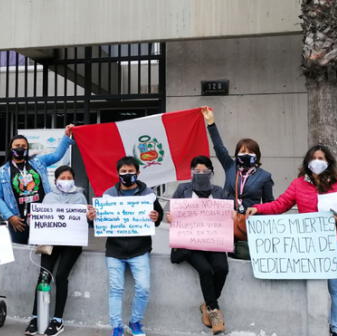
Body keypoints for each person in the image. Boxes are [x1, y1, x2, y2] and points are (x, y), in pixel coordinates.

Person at [245, 145, 337, 336]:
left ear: (328, 162)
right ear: (307, 162)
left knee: (334, 286)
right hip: (309, 243)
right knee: (312, 283)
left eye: (321, 158)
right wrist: (258, 209)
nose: (317, 161)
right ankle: (315, 323)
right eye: (314, 158)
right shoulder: (298, 185)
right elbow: (280, 204)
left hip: (334, 240)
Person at [25, 165, 96, 336]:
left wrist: (90, 217)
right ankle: (36, 317)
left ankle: (57, 320)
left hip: (72, 245)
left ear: (73, 179)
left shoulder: (80, 197)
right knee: (44, 277)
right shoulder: (49, 197)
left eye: (68, 178)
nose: (65, 181)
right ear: (55, 180)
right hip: (50, 244)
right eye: (62, 178)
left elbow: (87, 223)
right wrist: (32, 218)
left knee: (61, 276)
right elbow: (41, 221)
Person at [100, 156, 164, 336]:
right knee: (115, 289)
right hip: (114, 251)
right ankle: (117, 326)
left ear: (138, 172)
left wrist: (156, 217)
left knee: (143, 288)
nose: (127, 175)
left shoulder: (149, 194)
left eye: (131, 171)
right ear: (118, 173)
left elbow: (158, 218)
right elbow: (100, 223)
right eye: (124, 172)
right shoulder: (108, 195)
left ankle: (135, 322)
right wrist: (94, 217)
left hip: (140, 251)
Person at [166, 156, 229, 335]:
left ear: (211, 173)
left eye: (204, 171)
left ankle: (206, 305)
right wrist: (170, 217)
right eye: (197, 171)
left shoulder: (219, 192)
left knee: (222, 268)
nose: (200, 174)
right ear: (191, 172)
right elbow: (169, 212)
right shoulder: (182, 189)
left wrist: (230, 215)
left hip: (213, 242)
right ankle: (214, 312)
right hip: (189, 244)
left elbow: (226, 216)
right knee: (206, 270)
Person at [201, 106, 274, 256]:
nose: (246, 154)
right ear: (236, 154)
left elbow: (269, 204)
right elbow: (220, 148)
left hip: (249, 224)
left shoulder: (265, 176)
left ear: (257, 156)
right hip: (225, 220)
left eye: (250, 152)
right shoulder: (230, 167)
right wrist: (211, 123)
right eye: (242, 151)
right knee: (222, 260)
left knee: (243, 258)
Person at [0, 125, 74, 244]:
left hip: (42, 218)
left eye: (23, 146)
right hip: (18, 221)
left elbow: (57, 155)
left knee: (42, 251)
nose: (20, 148)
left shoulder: (38, 162)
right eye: (17, 146)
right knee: (21, 253)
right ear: (11, 148)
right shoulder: (2, 172)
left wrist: (67, 135)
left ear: (27, 148)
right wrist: (10, 216)